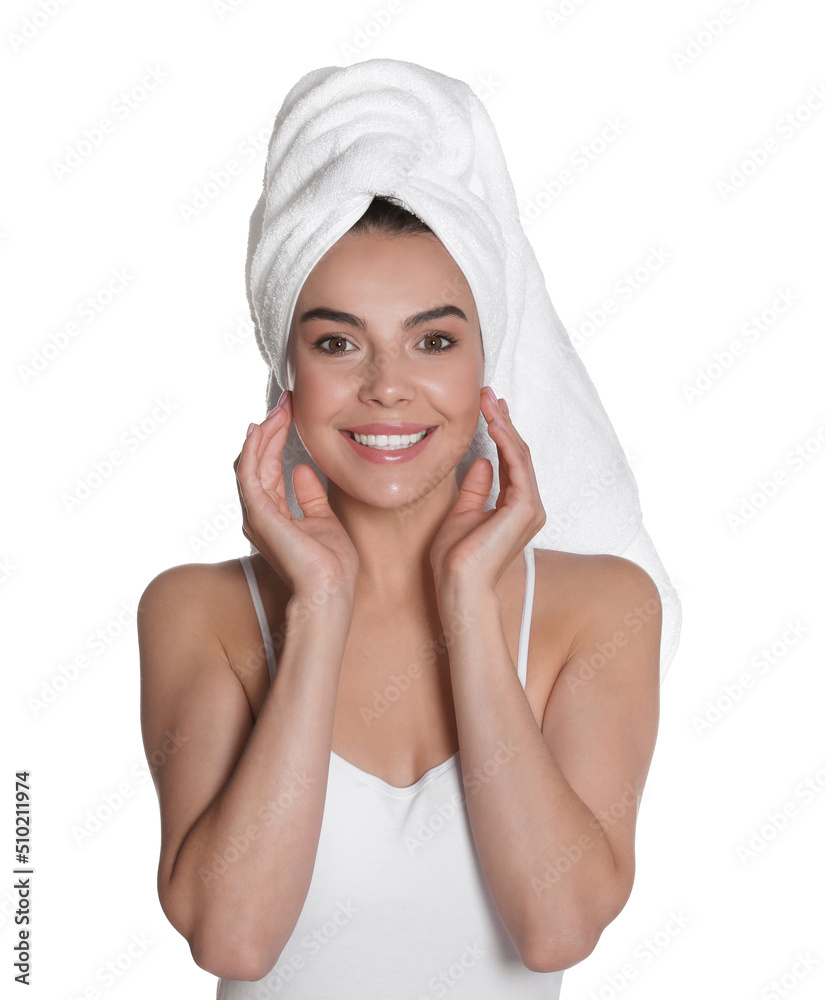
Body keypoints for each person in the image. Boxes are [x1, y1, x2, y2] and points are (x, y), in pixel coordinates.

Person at [137, 192, 663, 997]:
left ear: (489, 362)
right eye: (338, 342)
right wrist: (317, 605)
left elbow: (556, 928)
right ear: (286, 372)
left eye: (434, 340)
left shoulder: (602, 607)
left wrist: (466, 601)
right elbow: (233, 939)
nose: (387, 387)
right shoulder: (195, 611)